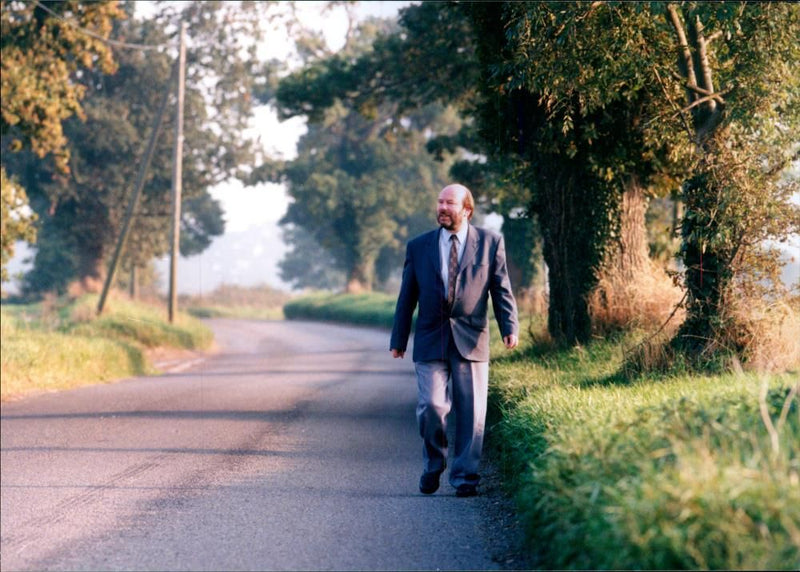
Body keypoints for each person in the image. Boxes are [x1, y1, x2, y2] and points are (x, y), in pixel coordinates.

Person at [390, 183, 519, 497]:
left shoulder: (490, 242)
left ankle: (465, 478)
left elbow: (501, 289)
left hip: (472, 337)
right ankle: (434, 462)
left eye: (449, 203)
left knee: (472, 413)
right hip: (431, 338)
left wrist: (509, 325)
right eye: (440, 202)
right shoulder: (419, 246)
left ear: (467, 210)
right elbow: (407, 296)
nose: (442, 208)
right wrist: (399, 337)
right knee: (431, 406)